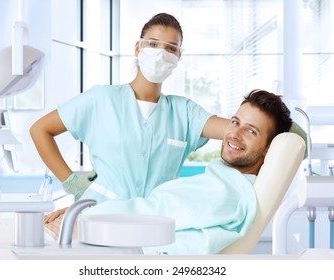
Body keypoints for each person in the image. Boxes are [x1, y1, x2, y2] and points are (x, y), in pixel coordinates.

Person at [30, 12, 230, 222]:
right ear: (138, 48)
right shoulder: (101, 99)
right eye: (153, 44)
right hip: (100, 217)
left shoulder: (185, 112)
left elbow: (238, 132)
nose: (161, 53)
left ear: (179, 56)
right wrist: (76, 186)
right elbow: (40, 130)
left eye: (171, 48)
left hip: (158, 224)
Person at [43, 89, 293, 254]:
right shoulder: (219, 182)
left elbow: (155, 218)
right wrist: (89, 210)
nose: (235, 134)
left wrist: (90, 223)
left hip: (99, 235)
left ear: (268, 150)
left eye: (251, 131)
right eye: (235, 122)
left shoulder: (226, 193)